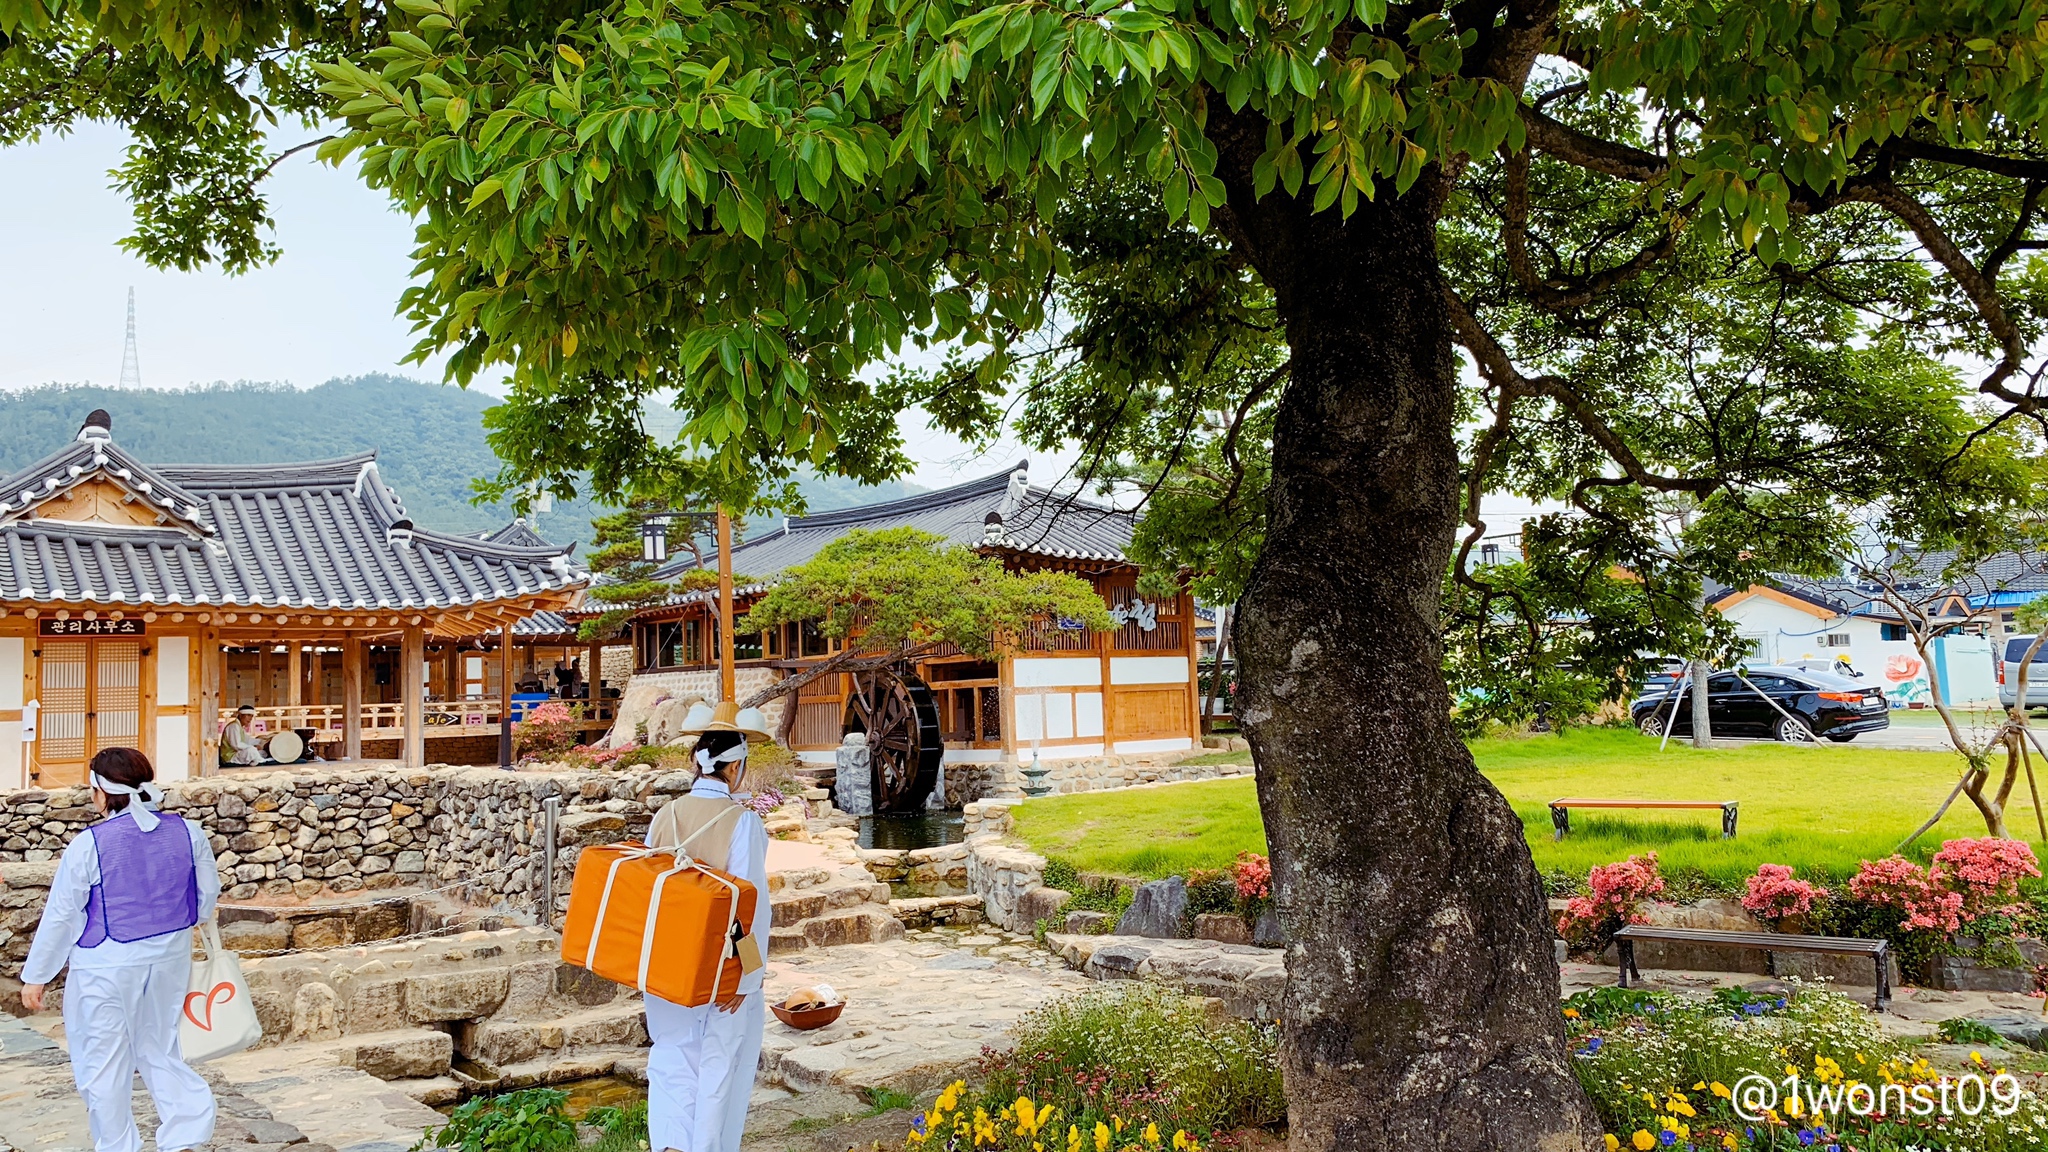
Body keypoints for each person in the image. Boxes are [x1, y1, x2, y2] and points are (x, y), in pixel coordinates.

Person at [20, 747, 221, 1152]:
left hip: (106, 964)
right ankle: (185, 1132)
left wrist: (37, 976)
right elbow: (205, 898)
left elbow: (63, 915)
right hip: (168, 956)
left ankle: (116, 1145)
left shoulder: (89, 845)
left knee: (103, 1060)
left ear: (100, 792)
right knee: (160, 1046)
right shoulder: (189, 832)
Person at [641, 701, 773, 1152]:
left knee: (670, 1058)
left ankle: (669, 1146)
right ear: (734, 767)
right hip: (719, 967)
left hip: (665, 962)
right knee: (719, 1067)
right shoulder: (742, 822)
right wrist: (748, 976)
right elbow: (750, 907)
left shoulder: (665, 816)